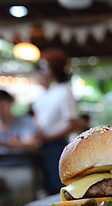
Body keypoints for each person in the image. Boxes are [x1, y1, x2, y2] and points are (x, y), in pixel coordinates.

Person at [32, 48, 79, 195]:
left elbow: (72, 122)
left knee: (58, 185)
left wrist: (49, 137)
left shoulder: (64, 90)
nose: (42, 71)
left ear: (54, 69)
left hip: (58, 145)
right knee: (46, 185)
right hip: (44, 145)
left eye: (44, 67)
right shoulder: (49, 91)